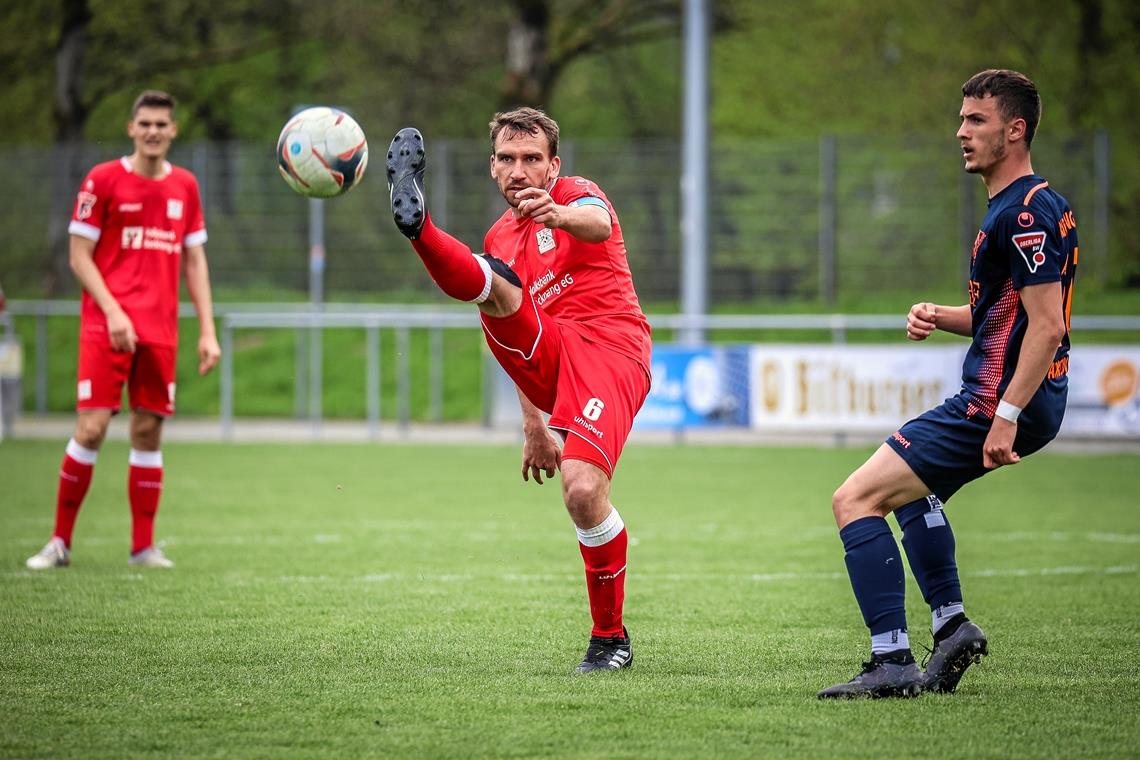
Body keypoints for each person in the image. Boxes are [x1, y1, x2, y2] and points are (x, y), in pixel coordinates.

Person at [818, 69, 1078, 698]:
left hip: (998, 400)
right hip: (1020, 397)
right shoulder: (1033, 205)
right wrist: (943, 315)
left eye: (977, 121)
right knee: (911, 492)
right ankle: (952, 626)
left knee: (853, 499)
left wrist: (1007, 414)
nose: (961, 132)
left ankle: (891, 661)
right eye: (962, 119)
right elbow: (1010, 319)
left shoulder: (1021, 214)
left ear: (1014, 130)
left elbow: (1046, 328)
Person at [386, 108, 652, 672]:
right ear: (491, 168)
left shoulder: (577, 194)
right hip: (550, 357)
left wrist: (557, 213)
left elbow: (598, 224)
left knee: (582, 492)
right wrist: (533, 422)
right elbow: (513, 331)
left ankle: (610, 640)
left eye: (532, 159)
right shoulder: (501, 235)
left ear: (553, 165)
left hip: (610, 349)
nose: (519, 170)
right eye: (507, 159)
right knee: (496, 286)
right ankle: (419, 227)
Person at [26, 90, 220, 570]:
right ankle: (59, 541)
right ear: (131, 128)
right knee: (91, 429)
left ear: (173, 131)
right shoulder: (103, 180)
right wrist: (113, 311)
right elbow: (78, 256)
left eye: (162, 124)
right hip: (104, 325)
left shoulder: (185, 187)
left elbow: (195, 260)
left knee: (149, 430)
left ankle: (142, 548)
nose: (154, 131)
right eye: (145, 123)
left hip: (160, 328)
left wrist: (207, 330)